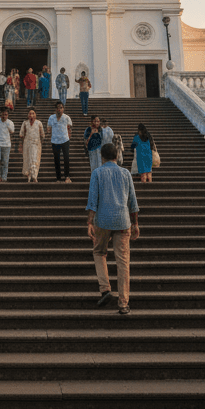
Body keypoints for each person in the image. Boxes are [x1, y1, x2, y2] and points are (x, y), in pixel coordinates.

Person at [86, 142, 139, 315]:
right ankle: (123, 303)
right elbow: (133, 202)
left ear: (102, 157)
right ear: (116, 156)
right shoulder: (125, 174)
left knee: (99, 252)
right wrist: (135, 223)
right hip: (123, 222)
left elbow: (93, 200)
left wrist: (89, 222)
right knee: (123, 261)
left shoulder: (97, 173)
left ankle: (105, 288)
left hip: (102, 221)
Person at [46, 101, 73, 182]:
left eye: (61, 108)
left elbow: (69, 129)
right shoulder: (51, 118)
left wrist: (68, 138)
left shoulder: (67, 118)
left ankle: (67, 176)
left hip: (65, 140)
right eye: (58, 108)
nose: (59, 109)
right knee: (56, 159)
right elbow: (48, 129)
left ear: (63, 109)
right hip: (55, 141)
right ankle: (58, 178)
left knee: (66, 158)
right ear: (55, 109)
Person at [19, 107, 45, 182]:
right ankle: (29, 176)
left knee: (35, 159)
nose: (31, 115)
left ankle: (34, 176)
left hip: (36, 144)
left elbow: (42, 135)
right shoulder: (25, 123)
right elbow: (21, 134)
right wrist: (20, 145)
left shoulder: (39, 123)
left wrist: (40, 143)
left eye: (33, 113)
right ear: (28, 115)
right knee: (28, 159)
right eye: (30, 113)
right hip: (27, 144)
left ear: (35, 114)